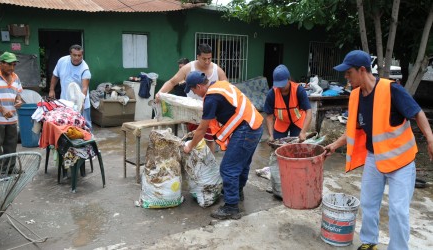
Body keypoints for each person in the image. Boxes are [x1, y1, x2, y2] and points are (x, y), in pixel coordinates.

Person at [324, 50, 433, 250]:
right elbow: (353, 130)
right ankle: (369, 242)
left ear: (362, 70)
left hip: (401, 162)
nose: (346, 77)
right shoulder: (356, 96)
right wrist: (334, 146)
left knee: (398, 211)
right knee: (368, 203)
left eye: (349, 73)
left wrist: (430, 137)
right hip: (375, 158)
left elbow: (417, 113)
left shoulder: (391, 90)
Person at [183, 71, 264, 220]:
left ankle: (231, 207)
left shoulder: (211, 98)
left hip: (247, 128)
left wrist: (190, 146)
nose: (194, 93)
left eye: (193, 90)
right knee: (242, 164)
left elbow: (201, 129)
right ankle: (236, 193)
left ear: (199, 86)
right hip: (255, 124)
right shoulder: (219, 85)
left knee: (228, 168)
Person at [156, 44, 228, 153]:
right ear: (198, 56)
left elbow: (227, 88)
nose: (207, 61)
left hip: (210, 108)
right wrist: (160, 93)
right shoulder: (188, 68)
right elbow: (172, 82)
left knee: (209, 138)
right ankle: (195, 160)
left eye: (209, 58)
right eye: (204, 59)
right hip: (193, 109)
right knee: (195, 137)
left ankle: (210, 162)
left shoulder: (217, 70)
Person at [263, 64, 312, 200]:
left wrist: (303, 132)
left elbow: (308, 111)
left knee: (297, 151)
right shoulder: (272, 93)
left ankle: (297, 180)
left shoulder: (299, 90)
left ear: (289, 79)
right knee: (277, 152)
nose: (281, 88)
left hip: (297, 121)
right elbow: (269, 115)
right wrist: (271, 135)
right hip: (281, 122)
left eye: (283, 84)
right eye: (278, 85)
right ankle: (276, 182)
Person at [49, 44, 92, 129]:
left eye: (79, 55)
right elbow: (55, 76)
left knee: (85, 125)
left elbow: (84, 88)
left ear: (82, 55)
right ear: (70, 54)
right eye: (74, 55)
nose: (77, 58)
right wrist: (51, 89)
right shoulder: (62, 61)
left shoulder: (85, 69)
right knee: (67, 125)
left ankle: (89, 141)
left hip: (81, 103)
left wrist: (81, 102)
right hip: (65, 102)